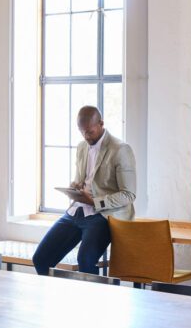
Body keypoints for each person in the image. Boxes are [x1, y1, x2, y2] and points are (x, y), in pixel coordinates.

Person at [32, 106, 137, 275]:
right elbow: (83, 180)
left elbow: (129, 194)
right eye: (82, 132)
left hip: (102, 215)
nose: (86, 136)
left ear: (101, 124)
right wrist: (75, 188)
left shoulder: (120, 149)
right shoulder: (82, 147)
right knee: (40, 259)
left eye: (89, 132)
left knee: (85, 260)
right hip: (76, 211)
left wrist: (95, 202)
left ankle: (95, 301)